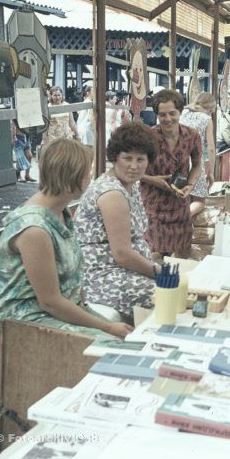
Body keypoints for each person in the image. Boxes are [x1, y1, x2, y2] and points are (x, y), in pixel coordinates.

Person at [0, 138, 133, 353]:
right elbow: (51, 302)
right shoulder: (34, 229)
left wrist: (99, 320)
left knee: (126, 340)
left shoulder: (60, 212)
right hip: (20, 323)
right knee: (111, 349)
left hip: (53, 311)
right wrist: (107, 327)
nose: (90, 178)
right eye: (87, 173)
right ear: (72, 176)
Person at [74, 122, 160, 326]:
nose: (134, 166)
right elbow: (122, 254)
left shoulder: (131, 184)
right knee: (166, 294)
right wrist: (159, 273)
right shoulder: (112, 194)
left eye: (141, 159)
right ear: (115, 158)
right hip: (101, 277)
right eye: (127, 158)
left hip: (120, 270)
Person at [140, 89, 202, 260]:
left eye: (172, 113)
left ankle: (179, 283)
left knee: (183, 250)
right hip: (153, 204)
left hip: (180, 201)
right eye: (162, 115)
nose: (168, 119)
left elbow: (197, 164)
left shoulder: (191, 135)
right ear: (156, 116)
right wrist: (153, 180)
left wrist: (190, 185)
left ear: (180, 112)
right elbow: (131, 170)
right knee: (153, 253)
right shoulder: (147, 137)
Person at [180, 92, 216, 218]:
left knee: (183, 197)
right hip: (195, 162)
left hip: (177, 160)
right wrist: (211, 172)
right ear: (210, 109)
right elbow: (211, 148)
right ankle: (182, 218)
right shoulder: (206, 119)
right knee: (199, 201)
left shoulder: (182, 113)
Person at [75, 85, 95, 149]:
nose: (95, 93)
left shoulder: (84, 102)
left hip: (81, 129)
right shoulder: (90, 103)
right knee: (89, 151)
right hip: (87, 130)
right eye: (93, 91)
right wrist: (95, 129)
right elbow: (91, 116)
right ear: (88, 93)